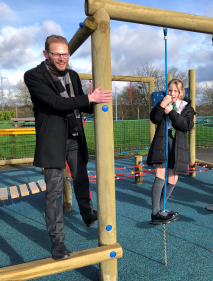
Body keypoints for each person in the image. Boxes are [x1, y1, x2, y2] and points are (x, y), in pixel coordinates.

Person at [24, 35, 112, 260]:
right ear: (46, 54)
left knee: (81, 178)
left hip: (74, 135)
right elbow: (55, 103)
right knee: (54, 191)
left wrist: (96, 100)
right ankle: (57, 242)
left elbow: (81, 106)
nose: (62, 58)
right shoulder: (34, 76)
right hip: (52, 139)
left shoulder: (72, 75)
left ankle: (87, 214)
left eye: (65, 54)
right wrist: (87, 98)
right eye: (57, 54)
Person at [147, 79, 195, 224]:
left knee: (173, 178)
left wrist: (171, 112)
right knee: (160, 174)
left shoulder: (187, 108)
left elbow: (186, 125)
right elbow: (154, 119)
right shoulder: (163, 103)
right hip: (163, 141)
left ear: (181, 93)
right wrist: (162, 105)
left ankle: (162, 208)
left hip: (178, 144)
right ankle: (155, 212)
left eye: (175, 91)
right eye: (170, 90)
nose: (172, 93)